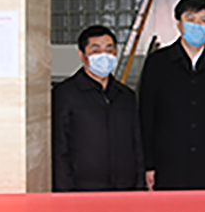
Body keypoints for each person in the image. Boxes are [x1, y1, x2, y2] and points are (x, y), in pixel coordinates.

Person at [138, 0, 205, 190]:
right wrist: (148, 164)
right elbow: (146, 116)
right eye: (191, 20)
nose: (197, 26)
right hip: (168, 164)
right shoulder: (157, 63)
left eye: (203, 21)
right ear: (179, 24)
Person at [52, 25, 143, 192]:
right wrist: (64, 193)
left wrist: (139, 186)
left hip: (124, 187)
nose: (104, 55)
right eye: (96, 50)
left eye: (109, 50)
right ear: (82, 55)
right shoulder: (65, 94)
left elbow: (136, 144)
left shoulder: (126, 96)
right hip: (84, 189)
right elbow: (59, 150)